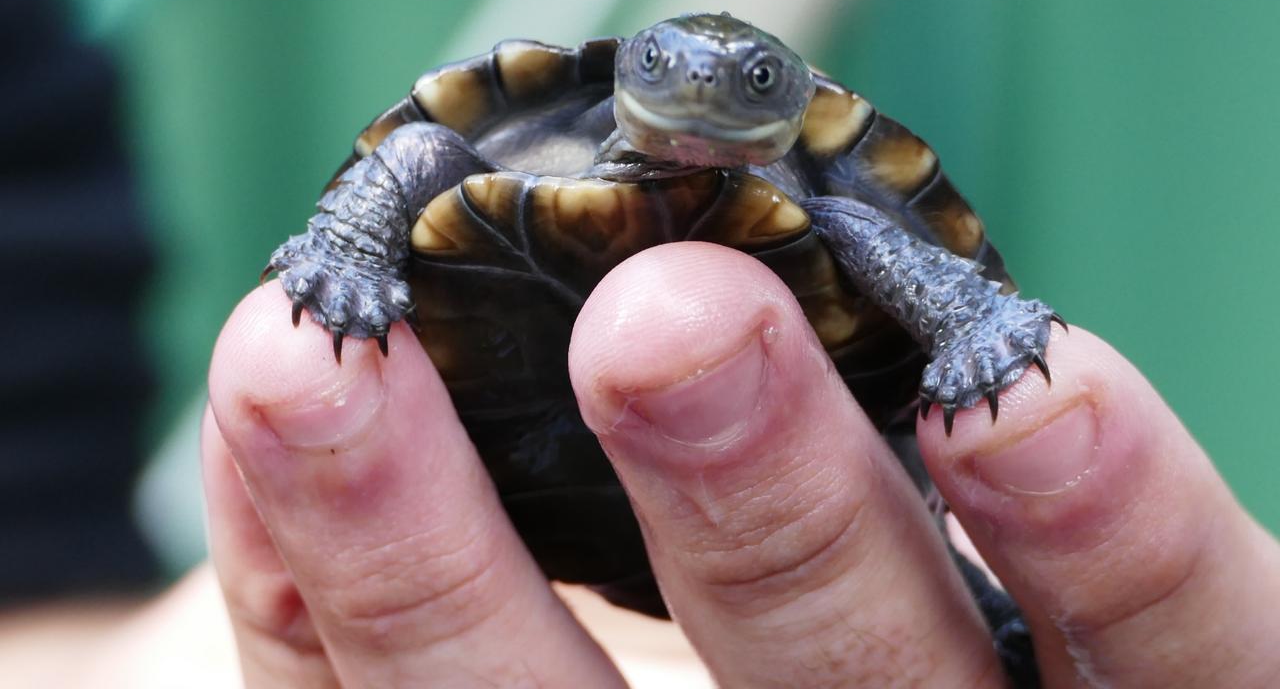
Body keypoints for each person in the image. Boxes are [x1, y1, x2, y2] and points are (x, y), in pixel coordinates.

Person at [191, 242, 1280, 687]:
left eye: (749, 80)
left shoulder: (826, 204)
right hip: (515, 485)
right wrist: (351, 238)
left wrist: (970, 320)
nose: (699, 90)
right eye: (663, 72)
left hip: (866, 485)